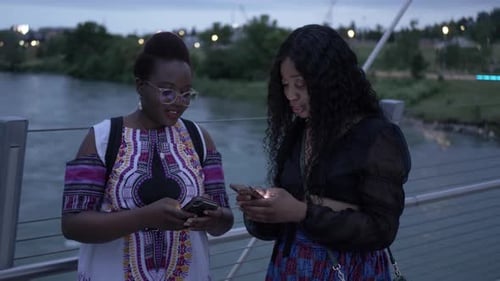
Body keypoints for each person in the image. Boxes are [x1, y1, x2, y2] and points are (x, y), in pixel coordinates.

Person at [234, 24, 411, 280]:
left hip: (350, 272)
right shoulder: (299, 132)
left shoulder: (377, 137)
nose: (290, 96)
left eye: (300, 84)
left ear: (330, 81)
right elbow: (287, 221)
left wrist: (301, 211)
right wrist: (264, 212)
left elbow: (381, 229)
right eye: (285, 85)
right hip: (290, 268)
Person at [61, 32, 234, 281]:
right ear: (140, 86)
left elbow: (225, 220)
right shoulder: (101, 138)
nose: (178, 103)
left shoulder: (200, 139)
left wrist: (214, 218)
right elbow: (72, 225)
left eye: (186, 94)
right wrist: (144, 217)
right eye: (167, 92)